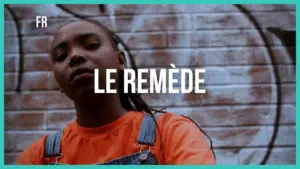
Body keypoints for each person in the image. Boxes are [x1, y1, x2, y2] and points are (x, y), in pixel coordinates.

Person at [15, 20, 216, 165]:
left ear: (120, 61)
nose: (74, 56)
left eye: (91, 45)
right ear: (58, 81)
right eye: (61, 56)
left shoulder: (171, 133)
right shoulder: (38, 157)